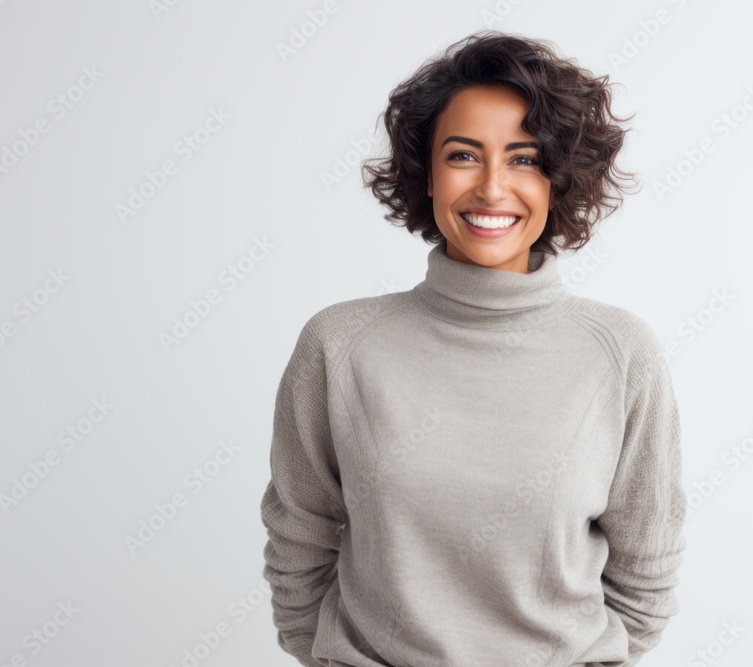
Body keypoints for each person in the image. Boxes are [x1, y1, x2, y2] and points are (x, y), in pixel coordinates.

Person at [260, 29, 686, 667]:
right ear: (426, 175)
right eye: (463, 155)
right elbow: (299, 538)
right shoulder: (340, 345)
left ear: (558, 181)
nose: (492, 188)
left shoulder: (620, 353)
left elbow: (646, 567)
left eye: (523, 158)